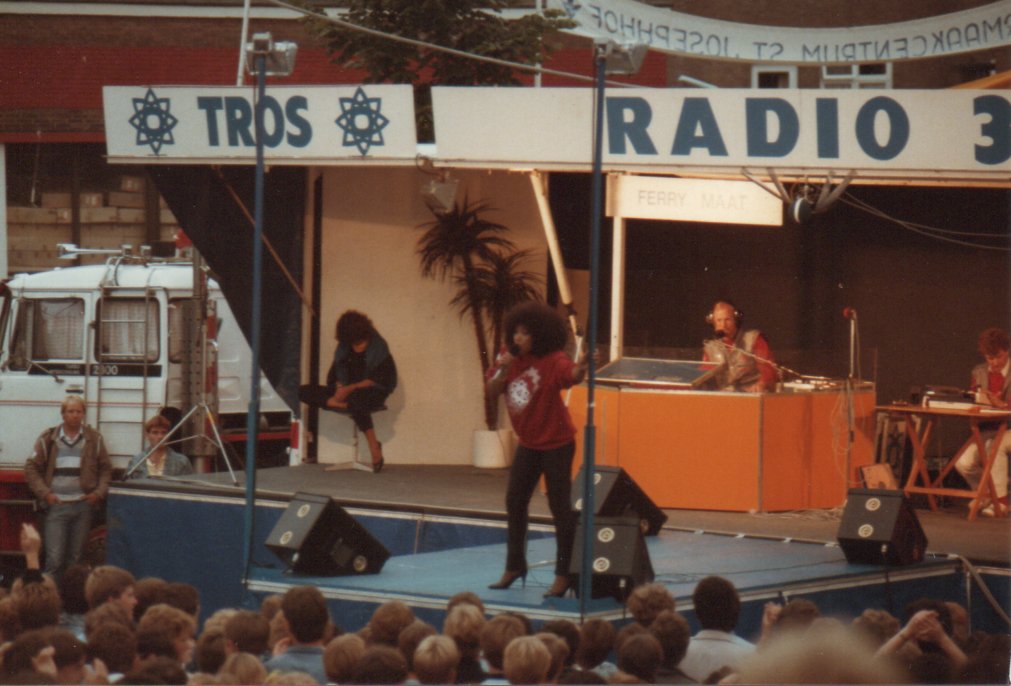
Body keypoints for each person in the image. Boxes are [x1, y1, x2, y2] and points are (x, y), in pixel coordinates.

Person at [486, 302, 588, 598]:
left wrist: (581, 368)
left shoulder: (552, 360)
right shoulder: (508, 360)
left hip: (557, 443)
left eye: (525, 334)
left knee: (560, 508)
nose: (518, 338)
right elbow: (492, 392)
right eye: (515, 332)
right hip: (529, 444)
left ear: (539, 337)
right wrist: (501, 372)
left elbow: (571, 375)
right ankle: (515, 566)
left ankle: (564, 573)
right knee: (514, 501)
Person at [24, 395, 112, 580]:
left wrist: (98, 493)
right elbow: (31, 467)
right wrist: (45, 493)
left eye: (78, 411)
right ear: (63, 414)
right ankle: (48, 603)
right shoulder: (48, 438)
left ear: (83, 414)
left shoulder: (94, 439)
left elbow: (105, 469)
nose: (74, 415)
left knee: (76, 560)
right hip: (56, 507)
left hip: (83, 507)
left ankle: (72, 602)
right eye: (70, 411)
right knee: (54, 560)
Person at [299, 309, 397, 472]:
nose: (353, 345)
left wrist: (350, 388)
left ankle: (374, 446)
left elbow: (380, 379)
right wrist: (339, 388)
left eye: (357, 342)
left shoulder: (379, 346)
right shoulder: (344, 347)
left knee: (357, 400)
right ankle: (340, 403)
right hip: (345, 393)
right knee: (303, 391)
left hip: (371, 391)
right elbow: (333, 374)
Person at [955, 326, 1009, 516]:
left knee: (996, 447)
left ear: (1007, 351)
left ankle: (1002, 501)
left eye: (998, 357)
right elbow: (973, 397)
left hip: (1008, 428)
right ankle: (986, 494)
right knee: (963, 463)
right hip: (989, 428)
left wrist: (1001, 405)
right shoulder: (979, 372)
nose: (994, 362)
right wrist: (977, 403)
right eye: (989, 358)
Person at [702, 300, 777, 392]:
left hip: (752, 395)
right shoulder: (710, 348)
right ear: (713, 323)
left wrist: (761, 384)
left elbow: (768, 368)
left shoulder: (754, 339)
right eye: (719, 320)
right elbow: (703, 377)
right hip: (725, 398)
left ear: (736, 320)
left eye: (727, 320)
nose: (723, 325)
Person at [126, 415, 193, 479]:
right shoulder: (136, 461)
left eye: (164, 432)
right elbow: (128, 486)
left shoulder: (181, 462)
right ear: (147, 435)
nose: (160, 437)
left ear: (169, 435)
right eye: (155, 432)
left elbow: (189, 488)